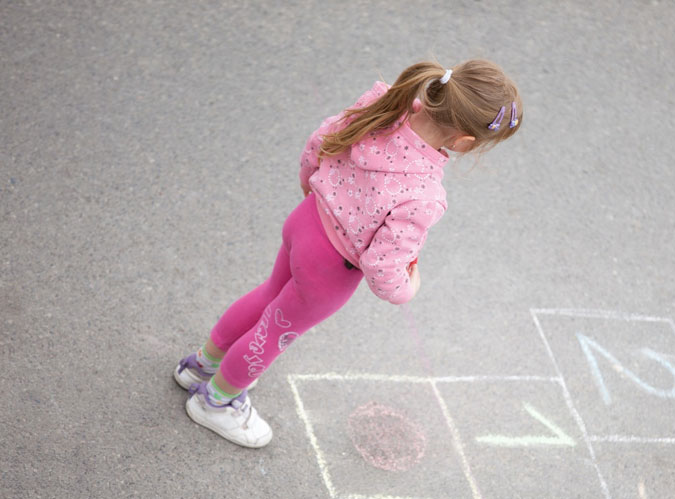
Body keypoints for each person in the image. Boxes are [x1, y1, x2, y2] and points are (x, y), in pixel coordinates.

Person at [174, 59, 523, 448]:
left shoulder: (386, 105)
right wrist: (408, 288)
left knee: (268, 294)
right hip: (328, 269)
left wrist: (311, 187)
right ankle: (217, 401)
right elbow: (383, 267)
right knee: (276, 329)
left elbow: (319, 142)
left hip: (305, 222)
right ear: (463, 143)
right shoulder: (424, 195)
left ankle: (200, 367)